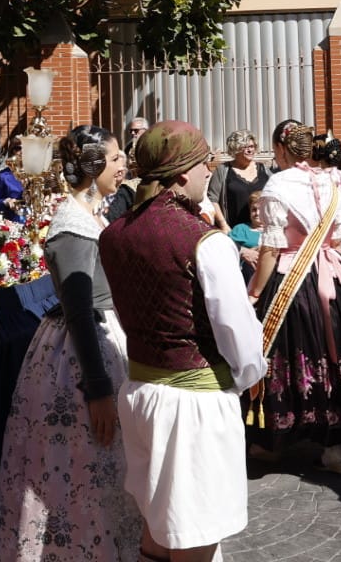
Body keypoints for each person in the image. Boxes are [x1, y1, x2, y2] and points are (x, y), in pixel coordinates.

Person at [97, 121, 265, 562]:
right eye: (204, 163)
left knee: (157, 531)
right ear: (180, 173)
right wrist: (249, 378)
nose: (211, 171)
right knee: (195, 537)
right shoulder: (205, 242)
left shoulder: (113, 235)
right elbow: (239, 333)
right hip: (194, 407)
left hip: (140, 396)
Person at [0, 126, 139, 562]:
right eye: (115, 160)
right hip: (79, 356)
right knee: (81, 473)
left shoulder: (93, 213)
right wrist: (96, 388)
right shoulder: (71, 224)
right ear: (94, 168)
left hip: (105, 337)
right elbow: (78, 310)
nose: (123, 165)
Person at [245, 124, 341, 473]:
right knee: (338, 352)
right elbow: (340, 237)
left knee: (288, 354)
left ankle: (276, 441)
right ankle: (337, 445)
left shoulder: (278, 184)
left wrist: (254, 293)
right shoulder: (339, 181)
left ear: (281, 148)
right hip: (337, 276)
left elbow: (271, 249)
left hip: (292, 279)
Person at [207, 129, 267, 234]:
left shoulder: (264, 169)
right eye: (244, 147)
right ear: (235, 150)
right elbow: (212, 199)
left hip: (263, 233)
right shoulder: (223, 170)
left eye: (251, 147)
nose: (249, 150)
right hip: (234, 233)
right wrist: (223, 225)